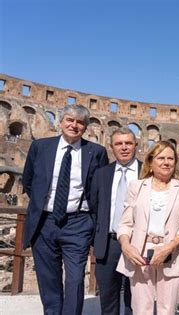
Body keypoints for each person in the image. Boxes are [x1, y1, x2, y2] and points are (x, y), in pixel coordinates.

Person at [22, 104, 108, 314]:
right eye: (69, 120)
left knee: (75, 278)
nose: (74, 125)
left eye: (80, 122)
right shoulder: (40, 147)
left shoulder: (96, 152)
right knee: (48, 277)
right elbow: (28, 180)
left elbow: (101, 189)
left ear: (86, 127)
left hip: (78, 222)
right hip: (44, 221)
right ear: (60, 122)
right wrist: (45, 204)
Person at [116, 140, 179, 315]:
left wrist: (167, 248)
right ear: (151, 162)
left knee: (167, 310)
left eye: (170, 158)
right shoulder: (136, 187)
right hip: (140, 253)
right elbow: (125, 223)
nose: (166, 162)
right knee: (141, 309)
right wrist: (126, 246)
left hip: (172, 252)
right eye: (161, 158)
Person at [90, 127, 141, 315]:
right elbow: (94, 208)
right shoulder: (101, 174)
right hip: (108, 243)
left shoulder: (147, 172)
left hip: (138, 242)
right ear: (112, 147)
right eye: (119, 144)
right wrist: (95, 239)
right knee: (108, 296)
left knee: (135, 297)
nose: (124, 147)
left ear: (136, 145)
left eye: (128, 143)